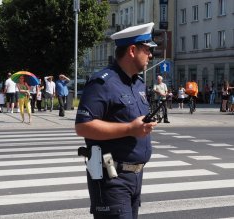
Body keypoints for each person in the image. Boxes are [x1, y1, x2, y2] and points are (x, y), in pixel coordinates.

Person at [75, 22, 157, 219]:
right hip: (111, 178)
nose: (150, 55)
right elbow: (83, 126)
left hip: (134, 176)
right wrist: (130, 128)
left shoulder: (137, 83)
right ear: (132, 50)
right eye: (147, 50)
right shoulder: (103, 82)